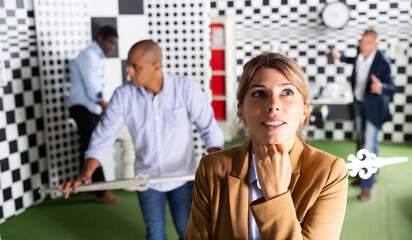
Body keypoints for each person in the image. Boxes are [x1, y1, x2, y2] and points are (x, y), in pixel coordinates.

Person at [61, 40, 224, 240]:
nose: (129, 72)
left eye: (135, 67)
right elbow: (103, 136)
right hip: (146, 180)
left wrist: (216, 164)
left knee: (188, 232)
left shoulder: (185, 88)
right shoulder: (123, 95)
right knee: (154, 234)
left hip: (182, 177)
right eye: (129, 65)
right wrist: (87, 173)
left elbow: (209, 129)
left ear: (156, 66)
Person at [185, 52, 348, 239]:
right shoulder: (211, 168)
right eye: (259, 93)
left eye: (287, 92)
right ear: (241, 111)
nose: (273, 105)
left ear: (304, 109)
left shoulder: (329, 173)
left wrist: (276, 195)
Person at [329, 29, 396, 202]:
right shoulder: (361, 53)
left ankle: (367, 186)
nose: (362, 45)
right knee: (363, 141)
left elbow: (392, 87)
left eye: (367, 43)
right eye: (362, 42)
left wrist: (381, 87)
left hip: (374, 108)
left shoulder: (383, 62)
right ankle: (368, 173)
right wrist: (341, 58)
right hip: (359, 104)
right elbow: (355, 60)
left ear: (376, 44)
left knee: (368, 145)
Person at [67, 25, 119, 204]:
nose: (112, 47)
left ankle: (85, 187)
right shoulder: (89, 55)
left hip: (86, 107)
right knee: (95, 145)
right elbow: (92, 88)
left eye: (114, 44)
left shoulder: (95, 56)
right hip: (84, 107)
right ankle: (101, 191)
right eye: (110, 42)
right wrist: (105, 106)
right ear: (100, 38)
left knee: (86, 146)